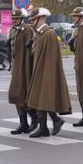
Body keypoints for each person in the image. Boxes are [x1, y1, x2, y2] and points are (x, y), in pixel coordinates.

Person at [26, 8, 72, 137]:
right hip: (39, 70)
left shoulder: (48, 33)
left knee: (42, 99)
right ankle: (46, 126)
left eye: (34, 19)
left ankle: (50, 124)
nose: (32, 22)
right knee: (38, 99)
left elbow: (51, 57)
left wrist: (48, 75)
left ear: (40, 18)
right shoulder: (39, 33)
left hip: (46, 72)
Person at [6, 8, 36, 134]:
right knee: (16, 94)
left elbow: (31, 49)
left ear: (21, 19)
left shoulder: (27, 29)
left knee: (25, 95)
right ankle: (23, 123)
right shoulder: (12, 30)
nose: (14, 21)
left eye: (16, 19)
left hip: (25, 67)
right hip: (16, 66)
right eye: (13, 19)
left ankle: (35, 119)